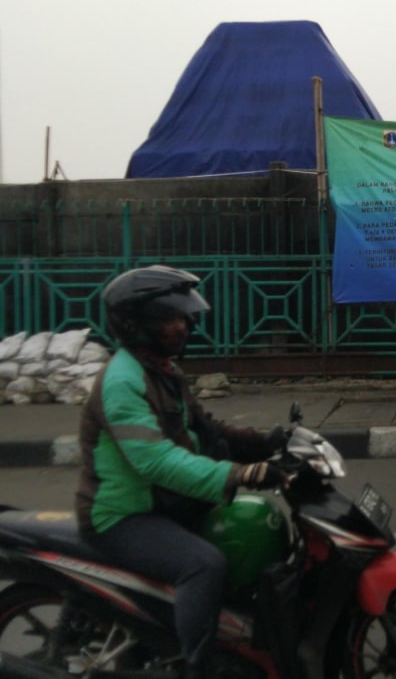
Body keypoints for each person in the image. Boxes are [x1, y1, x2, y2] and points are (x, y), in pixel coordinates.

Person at [75, 265, 286, 679]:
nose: (184, 325)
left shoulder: (161, 370)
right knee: (204, 564)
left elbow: (202, 427)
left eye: (184, 317)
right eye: (171, 319)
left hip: (164, 505)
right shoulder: (122, 382)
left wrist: (263, 444)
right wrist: (238, 475)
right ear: (137, 326)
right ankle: (196, 666)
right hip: (122, 516)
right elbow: (156, 460)